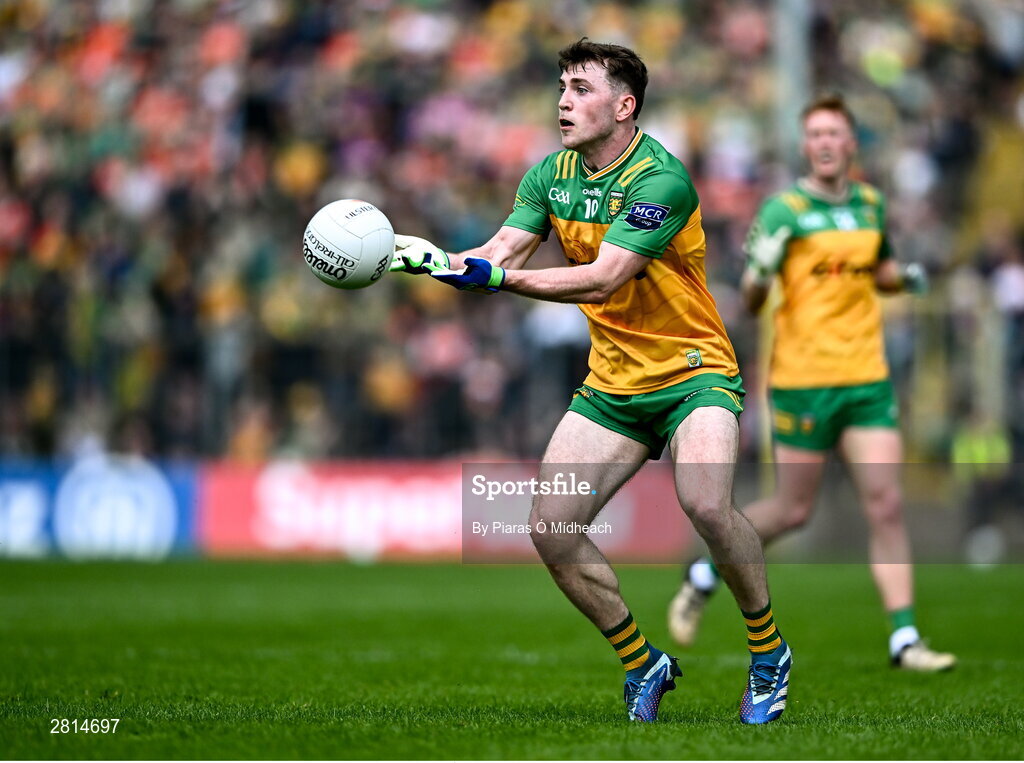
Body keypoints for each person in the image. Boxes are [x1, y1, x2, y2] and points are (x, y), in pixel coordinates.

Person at [391, 38, 791, 725]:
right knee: (551, 528)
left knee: (705, 502)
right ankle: (644, 662)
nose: (563, 101)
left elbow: (605, 277)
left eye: (580, 89)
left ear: (624, 105)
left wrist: (499, 278)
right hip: (613, 386)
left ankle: (768, 649)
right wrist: (433, 260)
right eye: (560, 88)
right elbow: (498, 251)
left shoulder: (661, 179)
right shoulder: (550, 175)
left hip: (694, 373)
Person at [667, 93, 956, 672]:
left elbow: (879, 271)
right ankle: (704, 573)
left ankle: (905, 639)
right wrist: (762, 268)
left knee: (887, 504)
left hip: (866, 379)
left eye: (835, 133)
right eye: (816, 134)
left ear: (851, 144)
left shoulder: (871, 204)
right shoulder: (783, 212)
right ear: (807, 146)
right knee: (794, 510)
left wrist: (909, 277)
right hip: (803, 381)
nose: (825, 143)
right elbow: (750, 299)